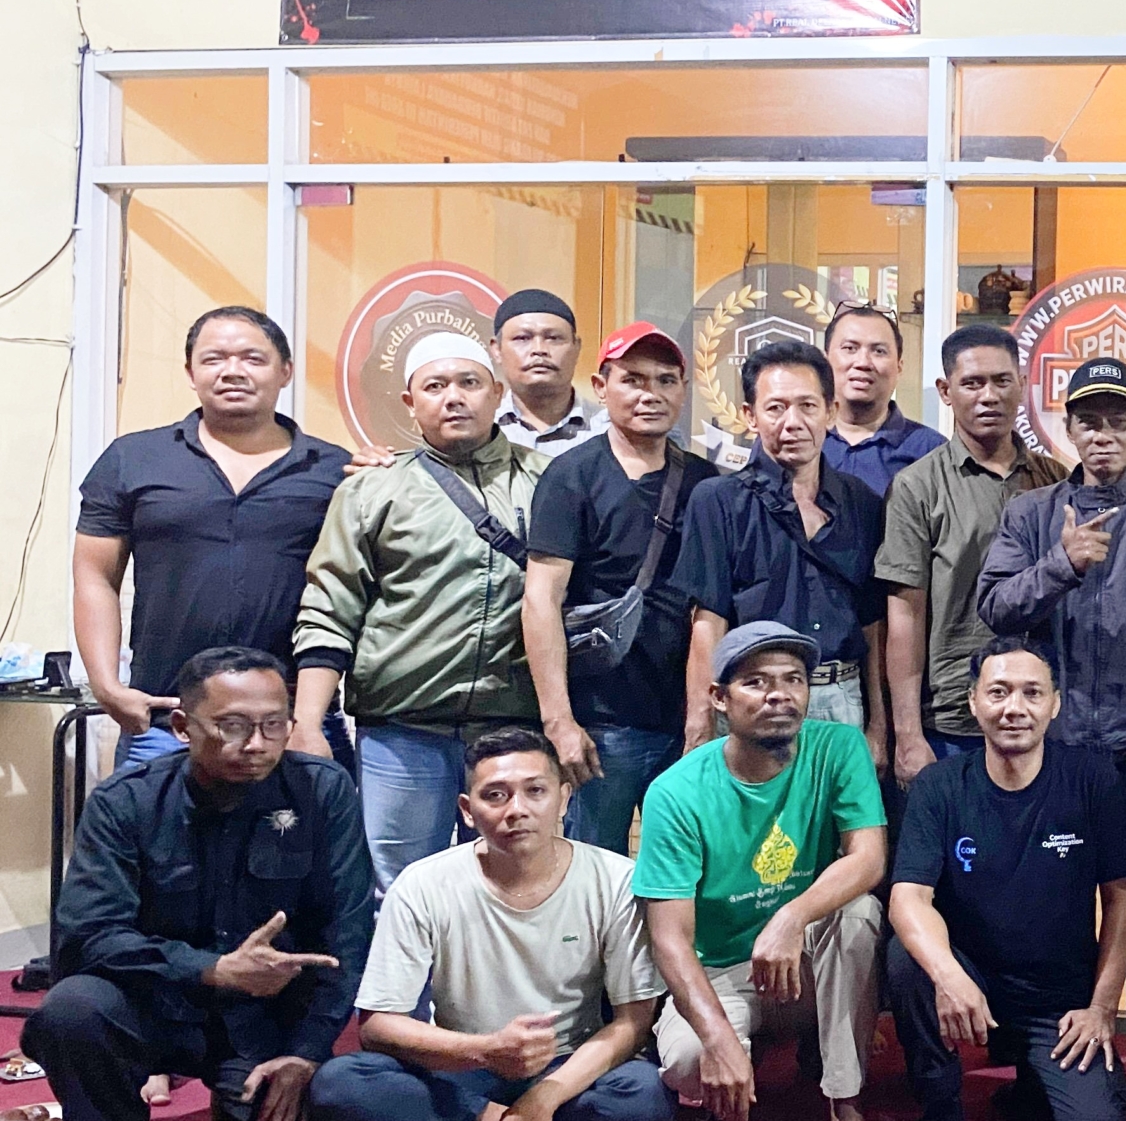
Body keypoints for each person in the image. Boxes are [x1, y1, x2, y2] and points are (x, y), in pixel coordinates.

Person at [26, 648, 370, 1121]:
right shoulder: (125, 802)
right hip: (154, 1006)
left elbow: (348, 933)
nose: (255, 744)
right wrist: (212, 970)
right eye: (232, 726)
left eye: (273, 725)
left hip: (264, 1018)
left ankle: (231, 1119)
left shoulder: (322, 791)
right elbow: (87, 935)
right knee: (71, 1010)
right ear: (183, 727)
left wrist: (307, 1052)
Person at [977, 356, 1126, 1113]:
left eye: (1118, 421)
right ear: (1068, 430)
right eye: (1088, 422)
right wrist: (1061, 565)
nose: (1103, 435)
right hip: (1056, 752)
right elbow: (994, 608)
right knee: (1055, 908)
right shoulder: (1032, 514)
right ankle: (1050, 1053)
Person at [308, 728, 674, 1121]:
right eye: (496, 795)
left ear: (563, 798)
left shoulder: (614, 879)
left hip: (565, 1070)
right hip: (464, 1069)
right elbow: (378, 1026)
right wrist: (486, 1051)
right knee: (337, 1084)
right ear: (467, 809)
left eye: (535, 791)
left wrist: (542, 1100)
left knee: (645, 1094)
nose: (517, 810)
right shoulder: (422, 884)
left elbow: (633, 1022)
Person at [293, 333, 548, 892]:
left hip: (514, 729)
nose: (453, 397)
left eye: (469, 383)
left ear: (497, 393)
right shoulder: (372, 489)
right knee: (399, 891)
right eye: (435, 386)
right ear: (411, 402)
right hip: (402, 733)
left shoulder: (551, 483)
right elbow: (329, 607)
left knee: (517, 888)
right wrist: (307, 723)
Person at [633, 621, 889, 1121]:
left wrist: (791, 918)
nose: (779, 694)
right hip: (724, 970)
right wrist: (719, 1039)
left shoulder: (839, 747)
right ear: (719, 698)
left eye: (794, 679)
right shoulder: (675, 792)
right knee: (688, 1065)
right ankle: (761, 1043)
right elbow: (670, 940)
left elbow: (868, 859)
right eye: (756, 682)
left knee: (859, 913)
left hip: (804, 960)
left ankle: (845, 1099)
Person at [880, 640, 1126, 1121]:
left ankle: (1033, 1086)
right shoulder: (939, 786)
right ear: (973, 703)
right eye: (998, 693)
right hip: (973, 981)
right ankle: (940, 1111)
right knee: (908, 960)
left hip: (1057, 997)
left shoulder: (1092, 779)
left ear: (1055, 704)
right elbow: (908, 898)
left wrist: (1101, 1009)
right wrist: (949, 976)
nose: (1014, 708)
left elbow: (1122, 900)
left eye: (1031, 693)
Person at [74, 306, 351, 774]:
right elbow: (94, 577)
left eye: (252, 358)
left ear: (285, 371)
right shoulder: (133, 459)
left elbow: (349, 594)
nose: (232, 371)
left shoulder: (334, 470)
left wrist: (307, 718)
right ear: (191, 373)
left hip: (292, 723)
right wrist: (107, 687)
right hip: (166, 719)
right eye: (214, 358)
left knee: (305, 826)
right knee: (151, 827)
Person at [522, 324, 717, 853]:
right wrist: (559, 721)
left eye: (665, 380)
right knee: (595, 871)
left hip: (685, 724)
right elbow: (541, 600)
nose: (650, 394)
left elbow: (712, 607)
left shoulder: (706, 483)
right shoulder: (571, 477)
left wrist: (704, 715)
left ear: (683, 391)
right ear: (600, 387)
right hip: (599, 727)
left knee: (686, 870)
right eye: (632, 379)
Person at [672, 337, 889, 752]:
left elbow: (872, 623)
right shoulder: (718, 500)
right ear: (750, 416)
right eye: (775, 408)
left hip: (841, 698)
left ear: (830, 411)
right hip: (753, 700)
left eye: (808, 406)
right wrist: (699, 724)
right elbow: (708, 622)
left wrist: (879, 724)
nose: (793, 422)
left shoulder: (861, 502)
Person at [879, 325, 1063, 789]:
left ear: (1022, 384)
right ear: (946, 391)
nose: (989, 396)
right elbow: (905, 615)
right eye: (972, 383)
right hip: (952, 719)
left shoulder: (1055, 480)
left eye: (1002, 381)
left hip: (1043, 716)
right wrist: (908, 734)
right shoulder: (918, 486)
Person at [822, 301, 941, 499]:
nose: (863, 362)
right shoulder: (798, 439)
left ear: (899, 367)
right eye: (850, 348)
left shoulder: (930, 451)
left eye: (879, 351)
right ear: (825, 361)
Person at [491, 287, 607, 458]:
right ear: (496, 349)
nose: (539, 350)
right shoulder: (480, 429)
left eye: (553, 338)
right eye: (522, 338)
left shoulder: (611, 431)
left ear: (576, 347)